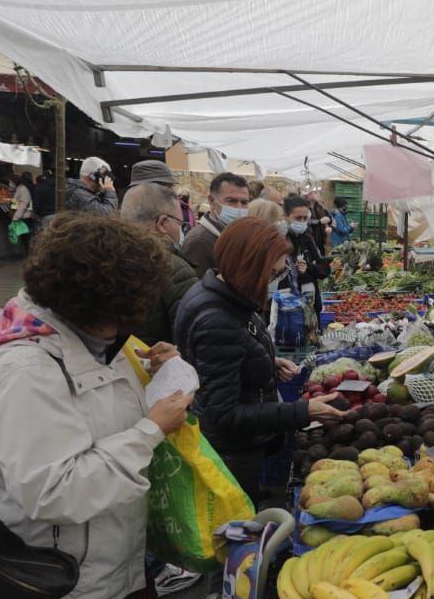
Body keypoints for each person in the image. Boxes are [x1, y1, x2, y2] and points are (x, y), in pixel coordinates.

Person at [0, 213, 192, 599]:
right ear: (95, 304)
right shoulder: (26, 373)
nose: (134, 319)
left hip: (119, 564)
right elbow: (55, 490)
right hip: (66, 584)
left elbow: (106, 417)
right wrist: (150, 432)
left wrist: (158, 376)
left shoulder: (94, 342)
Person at [175, 219, 345, 501]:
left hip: (237, 446)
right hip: (231, 454)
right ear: (249, 267)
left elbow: (231, 355)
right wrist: (302, 412)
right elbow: (225, 414)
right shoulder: (217, 319)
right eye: (272, 273)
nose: (274, 282)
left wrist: (267, 361)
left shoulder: (221, 295)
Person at [120, 183, 199, 348]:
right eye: (180, 223)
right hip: (157, 369)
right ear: (162, 223)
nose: (181, 231)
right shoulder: (176, 271)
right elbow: (191, 343)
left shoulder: (102, 258)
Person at [182, 172, 252, 277]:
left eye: (244, 202)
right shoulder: (199, 241)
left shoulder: (238, 233)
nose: (239, 208)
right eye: (231, 201)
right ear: (211, 201)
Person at [284, 194, 331, 301]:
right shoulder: (281, 239)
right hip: (288, 303)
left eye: (305, 218)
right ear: (286, 217)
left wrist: (309, 267)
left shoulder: (307, 238)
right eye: (298, 218)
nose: (301, 222)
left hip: (310, 300)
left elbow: (324, 268)